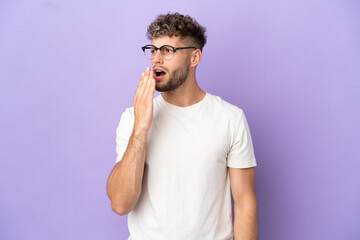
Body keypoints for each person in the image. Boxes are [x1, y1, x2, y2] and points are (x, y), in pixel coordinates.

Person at [106, 12, 258, 240]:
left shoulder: (230, 118)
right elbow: (120, 203)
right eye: (153, 50)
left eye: (168, 50)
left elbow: (245, 202)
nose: (156, 59)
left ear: (194, 58)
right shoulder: (132, 118)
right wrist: (141, 127)